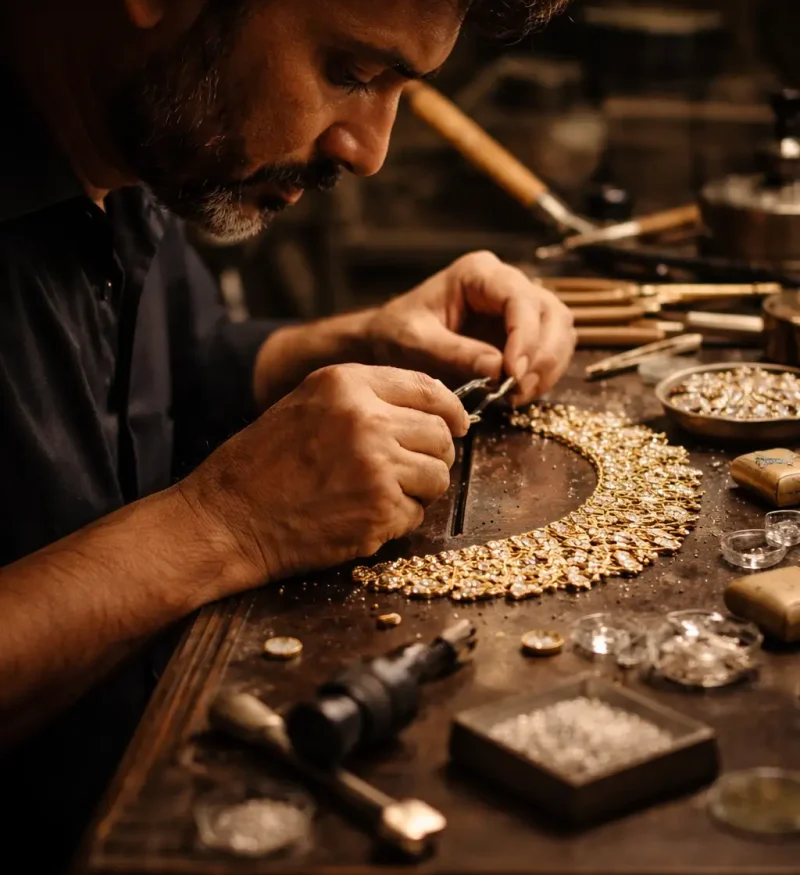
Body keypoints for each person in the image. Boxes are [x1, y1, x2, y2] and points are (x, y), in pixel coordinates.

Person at [0, 0, 574, 868]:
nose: (369, 152)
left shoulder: (128, 145)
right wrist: (227, 523)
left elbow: (181, 370)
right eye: (350, 73)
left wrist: (366, 338)